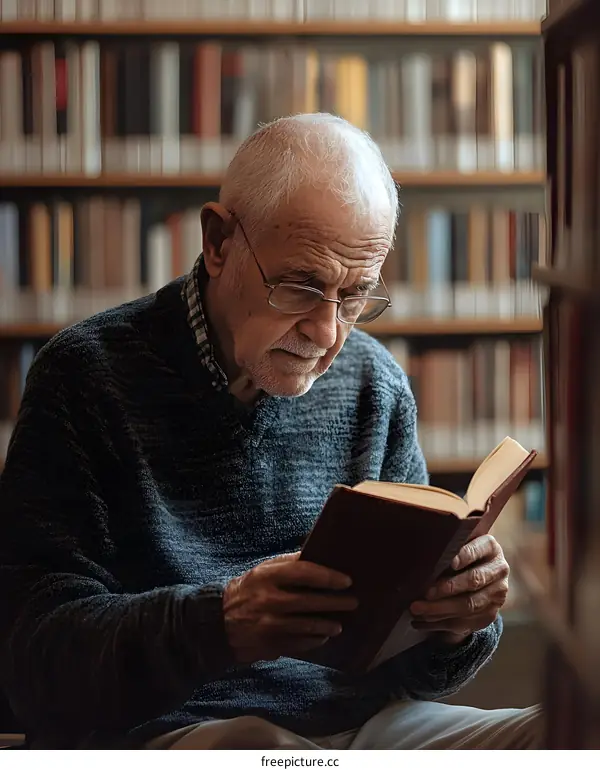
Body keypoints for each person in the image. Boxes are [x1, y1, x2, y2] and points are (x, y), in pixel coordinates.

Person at [0, 114, 542, 750]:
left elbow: (415, 674)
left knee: (567, 726)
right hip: (181, 730)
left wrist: (458, 621)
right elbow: (30, 663)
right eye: (300, 287)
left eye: (355, 295)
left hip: (365, 728)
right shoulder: (87, 377)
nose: (328, 333)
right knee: (266, 751)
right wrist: (220, 625)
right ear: (219, 242)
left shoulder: (373, 384)